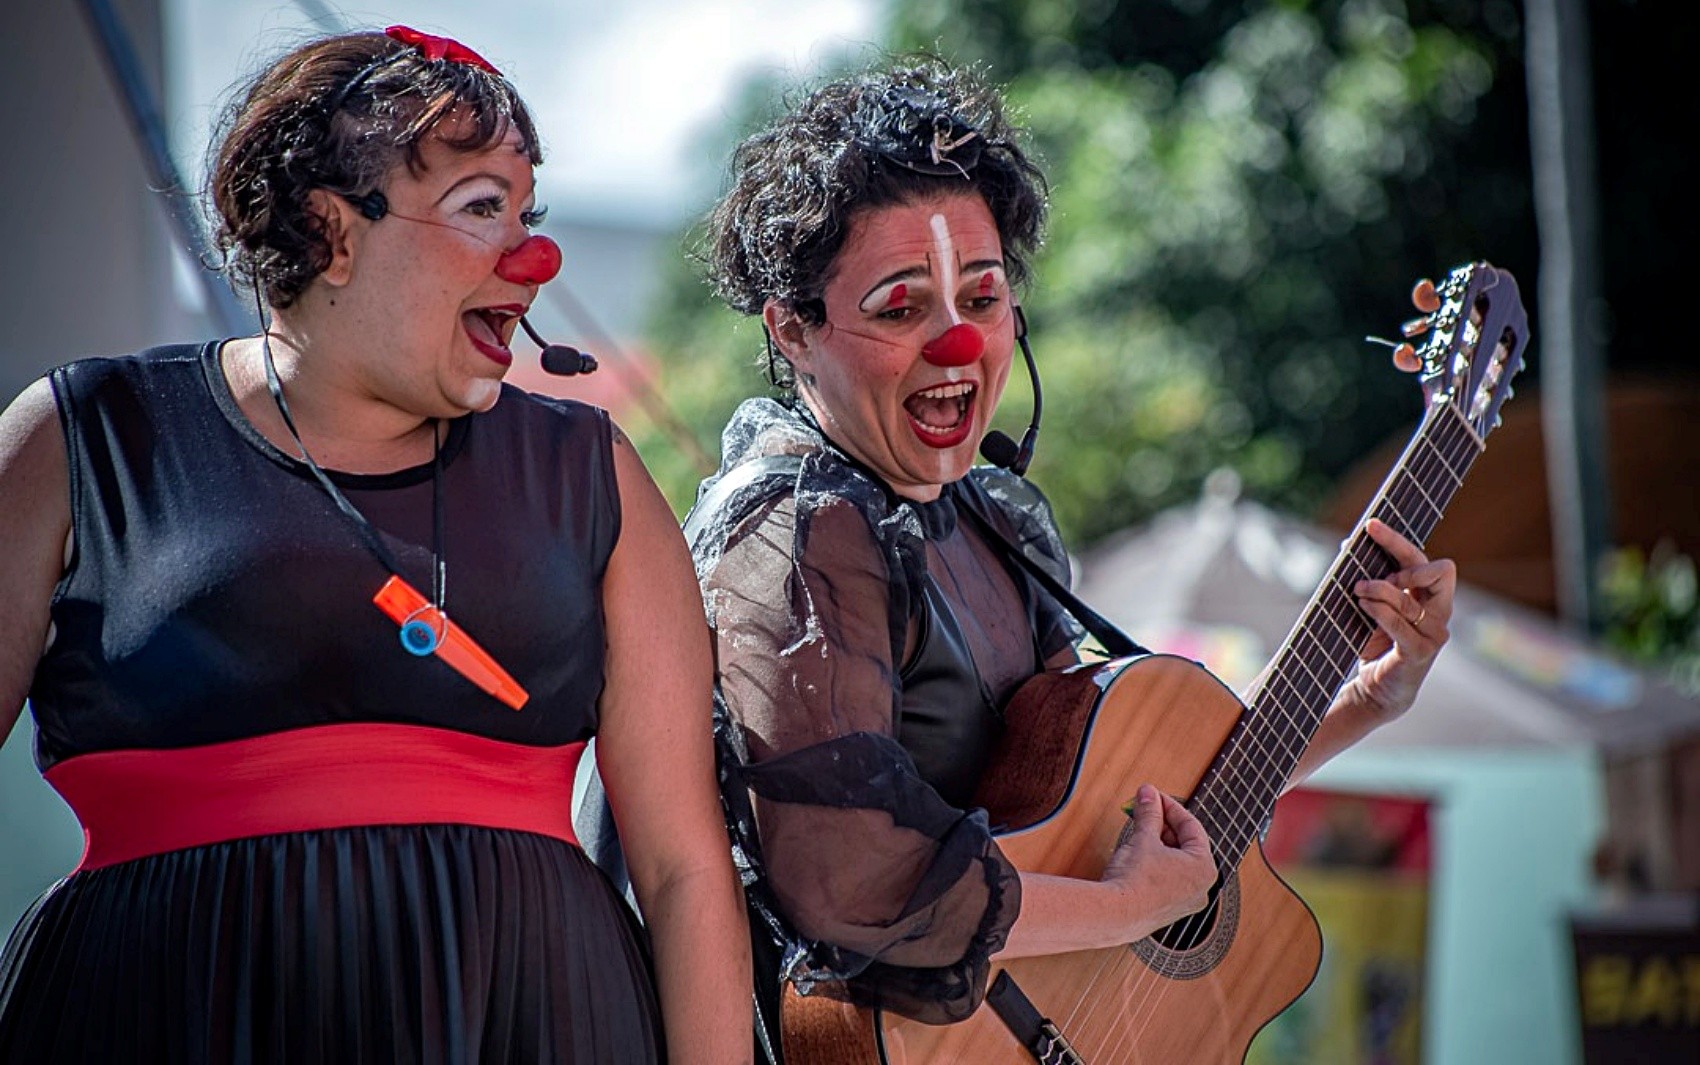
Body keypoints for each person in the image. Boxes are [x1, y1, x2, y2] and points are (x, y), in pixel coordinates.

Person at [0, 26, 748, 1063]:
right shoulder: (81, 439)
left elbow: (683, 872)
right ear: (332, 233)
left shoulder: (593, 475)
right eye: (481, 208)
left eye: (527, 214)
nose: (531, 260)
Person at [688, 59, 1456, 1059]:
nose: (956, 345)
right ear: (792, 330)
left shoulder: (990, 521)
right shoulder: (798, 531)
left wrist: (1367, 696)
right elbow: (855, 884)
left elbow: (1126, 807)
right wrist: (1128, 908)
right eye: (898, 307)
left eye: (981, 296)